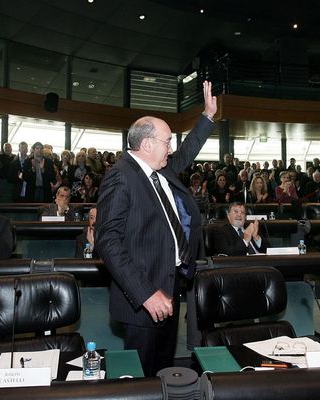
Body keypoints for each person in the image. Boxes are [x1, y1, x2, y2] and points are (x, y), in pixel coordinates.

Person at [95, 80, 217, 376]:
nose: (172, 148)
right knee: (143, 376)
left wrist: (208, 116)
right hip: (143, 293)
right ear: (147, 144)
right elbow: (107, 241)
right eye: (167, 142)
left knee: (164, 369)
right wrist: (146, 293)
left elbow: (187, 152)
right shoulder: (122, 177)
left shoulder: (160, 171)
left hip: (170, 283)